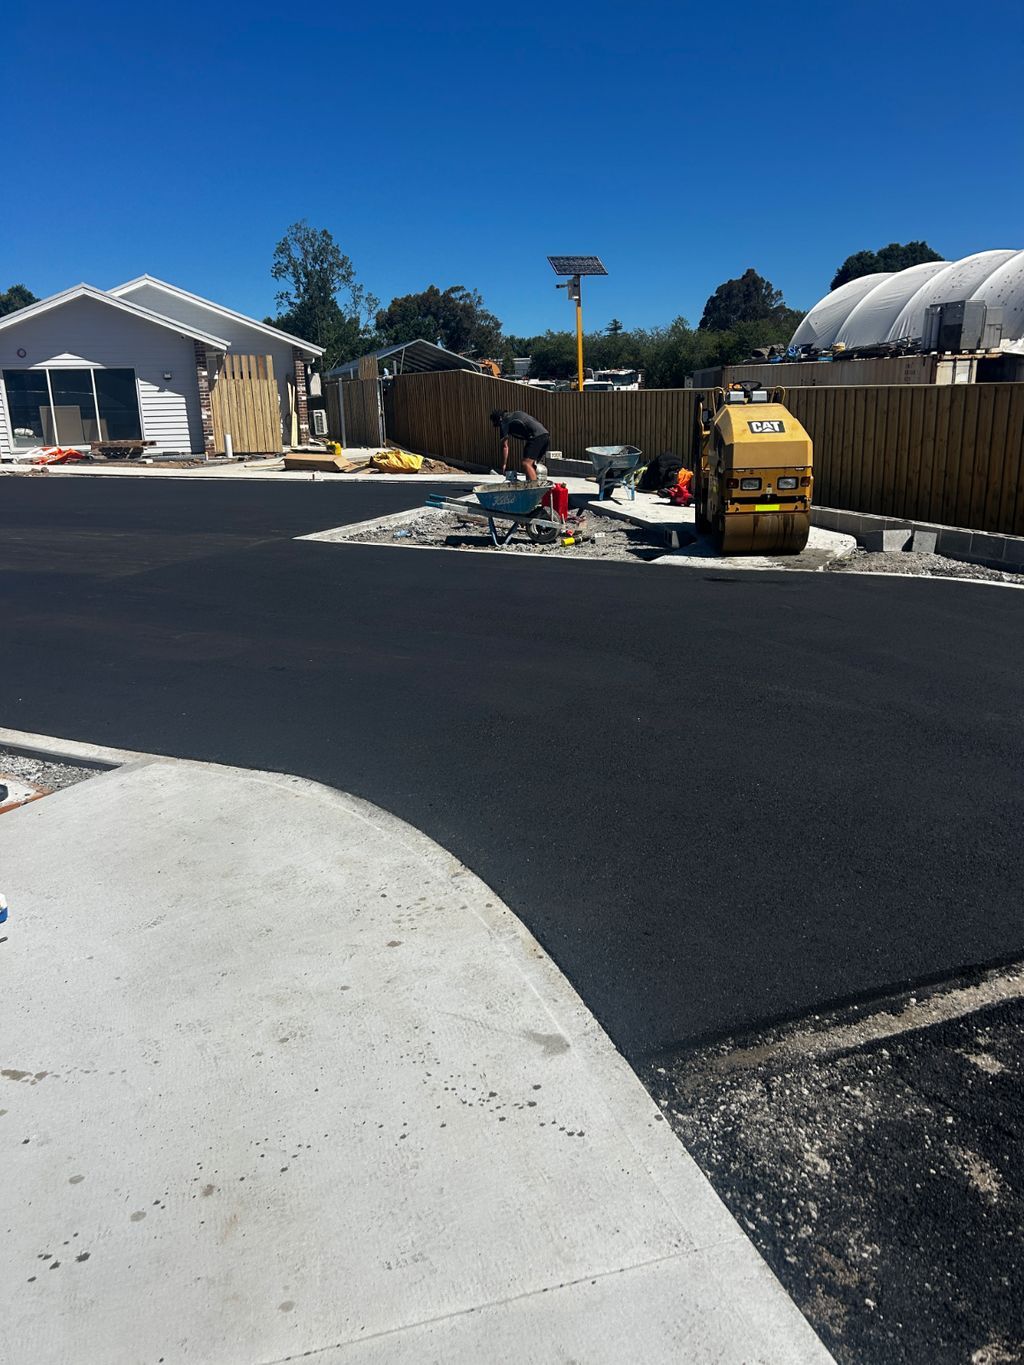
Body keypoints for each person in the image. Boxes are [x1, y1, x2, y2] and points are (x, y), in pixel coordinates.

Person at [490, 409, 550, 482]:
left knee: (526, 463)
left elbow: (505, 446)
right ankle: (531, 484)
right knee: (531, 465)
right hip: (545, 435)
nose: (499, 427)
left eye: (498, 425)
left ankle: (534, 488)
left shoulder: (505, 422)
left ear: (499, 419)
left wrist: (504, 464)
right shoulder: (515, 414)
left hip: (536, 437)